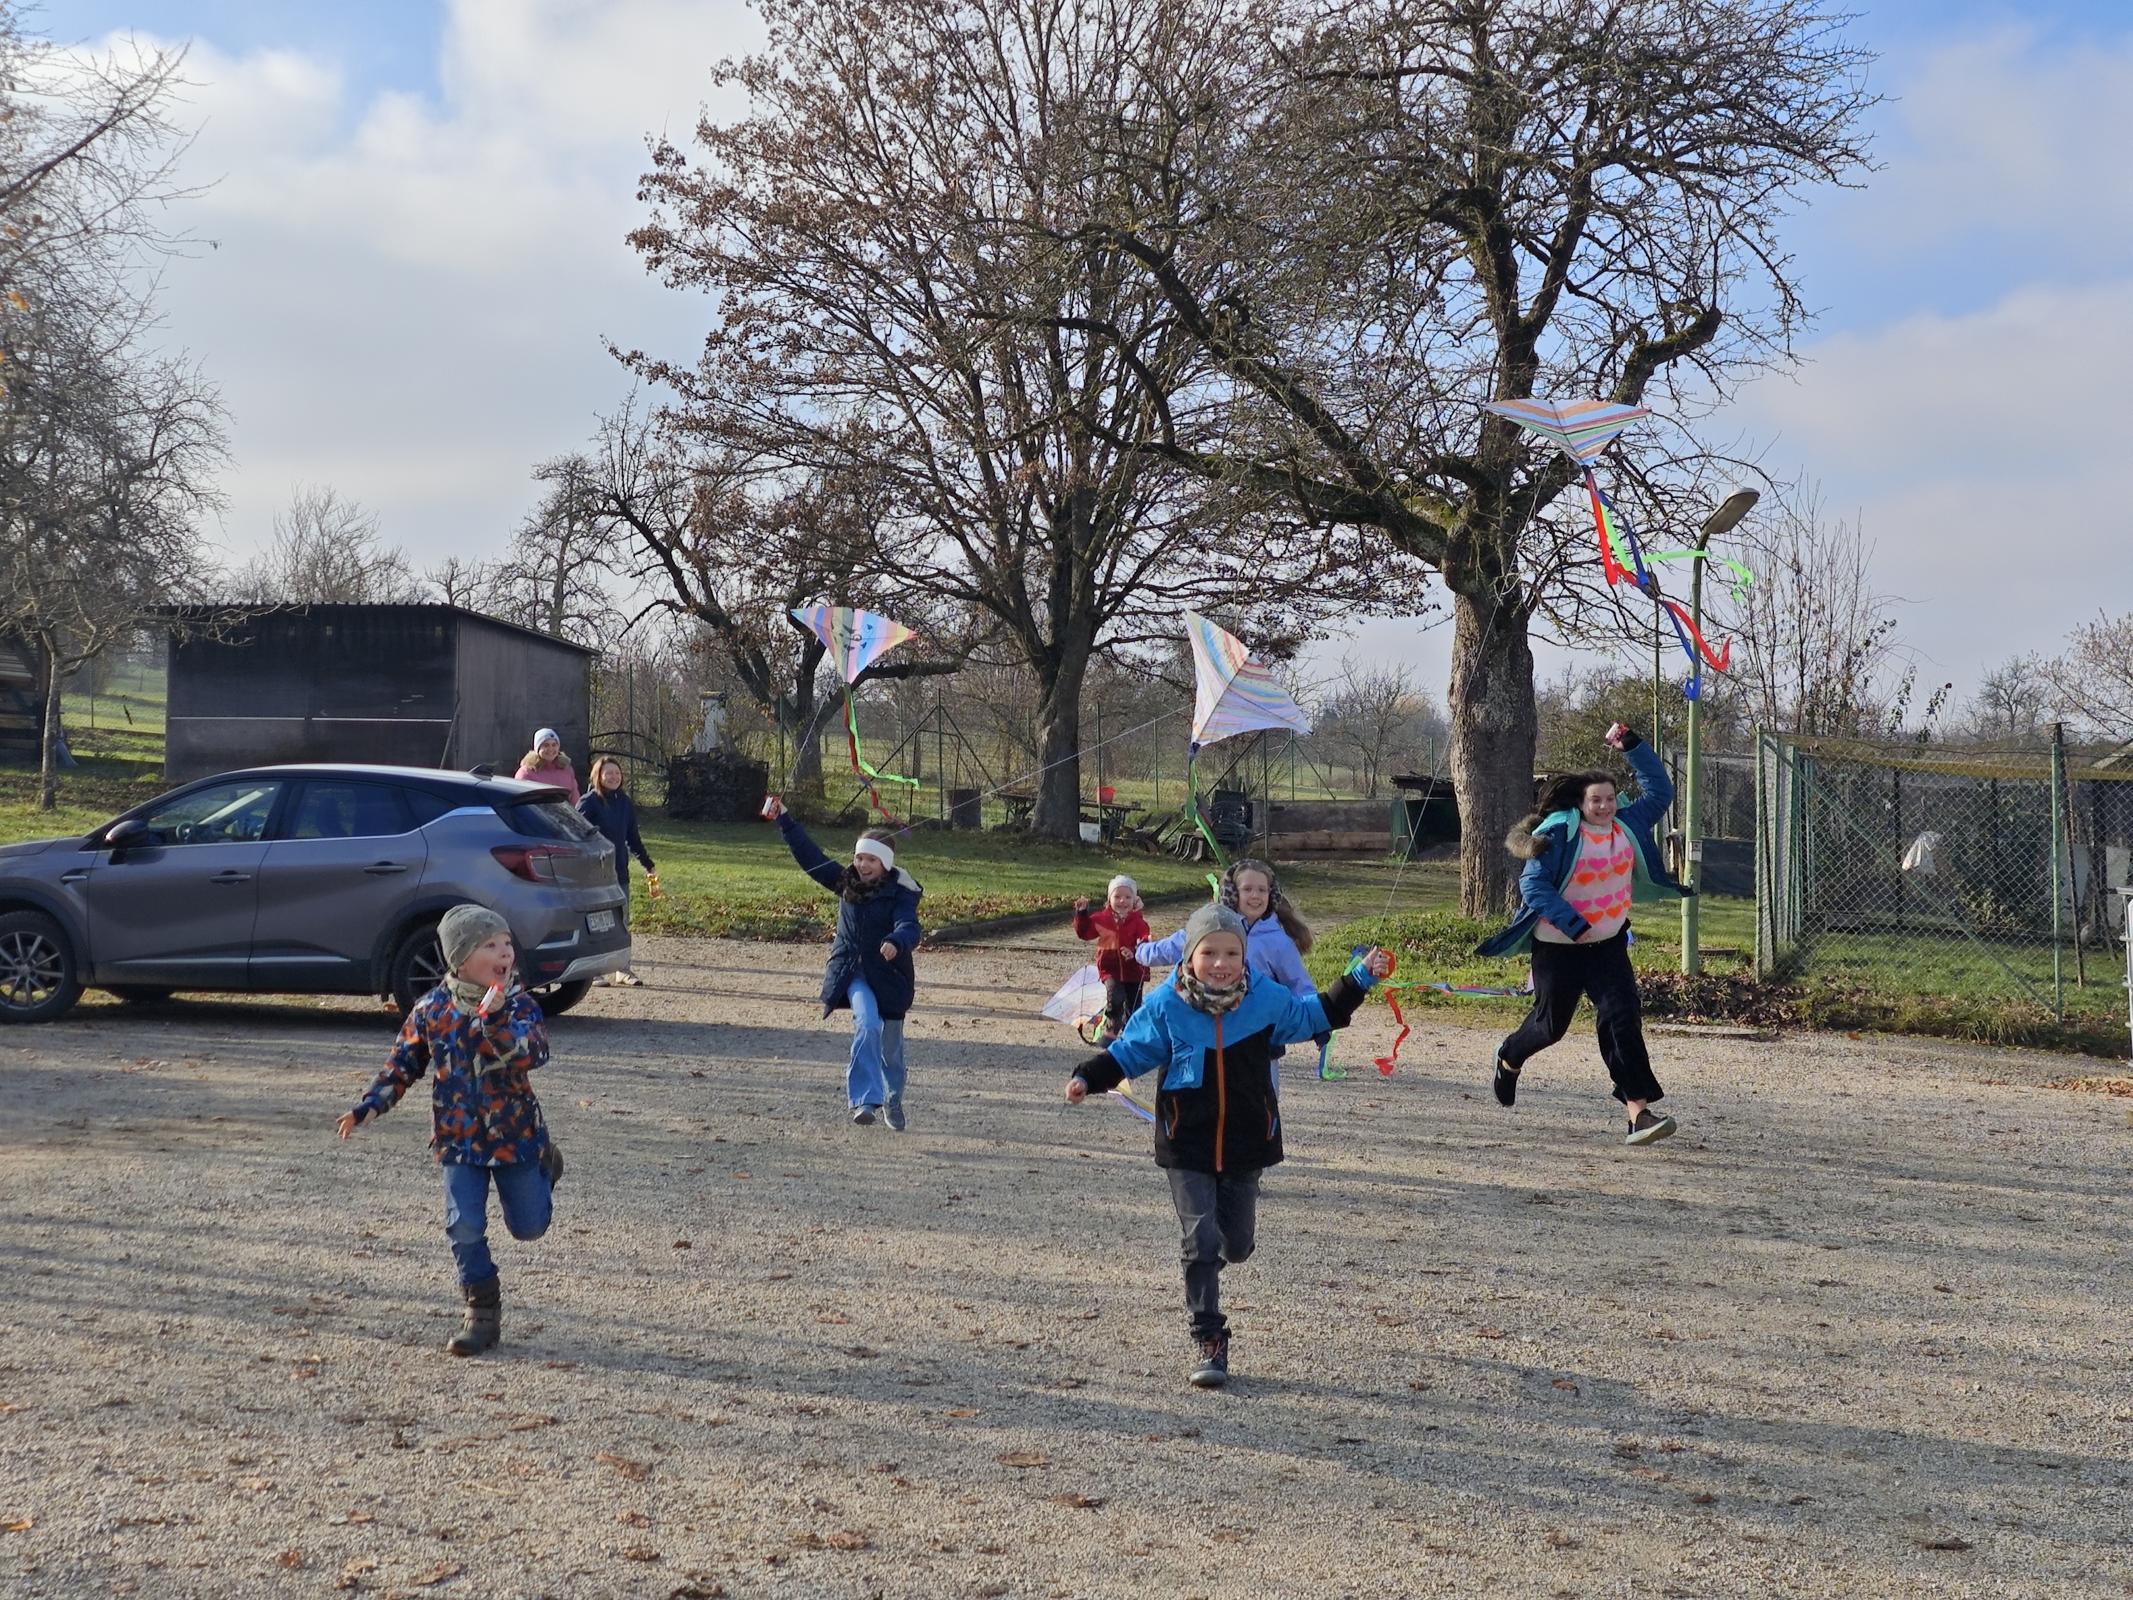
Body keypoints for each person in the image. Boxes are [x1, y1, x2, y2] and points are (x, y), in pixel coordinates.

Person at [1066, 902, 1393, 1389]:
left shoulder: (1266, 1000)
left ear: (1244, 956)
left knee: (1235, 1245)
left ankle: (1209, 1261)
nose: (1220, 963)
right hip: (1186, 1143)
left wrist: (1359, 979)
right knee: (1199, 1240)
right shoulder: (1166, 1006)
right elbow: (1130, 1052)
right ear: (1189, 957)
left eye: (1232, 953)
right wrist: (1087, 1077)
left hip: (1245, 1142)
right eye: (1209, 953)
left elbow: (1313, 1014)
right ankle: (1209, 1338)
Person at [335, 904, 562, 1357]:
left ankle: (546, 1162)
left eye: (507, 944)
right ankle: (481, 1313)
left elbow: (533, 1054)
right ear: (460, 959)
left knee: (529, 1227)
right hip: (458, 1139)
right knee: (464, 1226)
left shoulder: (519, 1005)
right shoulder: (431, 1009)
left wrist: (495, 1019)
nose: (504, 953)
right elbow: (402, 1064)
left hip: (515, 1137)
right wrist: (370, 1106)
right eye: (490, 945)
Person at [1476, 722, 1689, 1146]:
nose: (1605, 806)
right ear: (1581, 802)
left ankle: (1638, 1114)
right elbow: (1533, 886)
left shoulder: (1627, 824)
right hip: (1559, 947)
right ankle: (1510, 1056)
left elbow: (1660, 791)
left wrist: (1632, 745)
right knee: (1550, 1027)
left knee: (1622, 1019)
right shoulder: (1559, 834)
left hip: (1608, 946)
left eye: (1610, 798)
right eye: (1596, 800)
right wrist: (1573, 925)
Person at [764, 797, 924, 1130]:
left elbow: (909, 925)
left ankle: (893, 1097)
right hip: (854, 973)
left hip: (890, 977)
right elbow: (810, 856)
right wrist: (785, 820)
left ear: (885, 864)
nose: (863, 865)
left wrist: (896, 941)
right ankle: (865, 1100)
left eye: (871, 860)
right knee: (867, 1024)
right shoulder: (844, 882)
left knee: (891, 1052)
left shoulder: (900, 893)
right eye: (859, 857)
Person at [1138, 858, 1315, 1000]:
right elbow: (1172, 947)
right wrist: (1140, 951)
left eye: (1262, 890)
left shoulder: (1278, 942)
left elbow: (1300, 986)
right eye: (1247, 889)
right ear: (1232, 893)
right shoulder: (1213, 926)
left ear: (1272, 895)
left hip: (1259, 1024)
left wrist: (1316, 1020)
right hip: (1210, 1015)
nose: (1255, 895)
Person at [579, 756, 655, 987]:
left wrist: (647, 863)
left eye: (617, 773)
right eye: (608, 773)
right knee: (595, 922)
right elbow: (577, 836)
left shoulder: (624, 802)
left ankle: (623, 969)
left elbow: (632, 837)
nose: (613, 777)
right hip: (594, 873)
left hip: (619, 870)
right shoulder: (588, 802)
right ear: (598, 776)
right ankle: (593, 971)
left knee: (622, 921)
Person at [1072, 874, 1150, 1044]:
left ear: (1135, 900)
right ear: (1109, 899)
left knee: (1133, 1004)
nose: (1122, 901)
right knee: (1115, 997)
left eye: (1128, 897)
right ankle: (1112, 1027)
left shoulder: (1138, 922)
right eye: (1117, 896)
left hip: (1134, 969)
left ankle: (1131, 1034)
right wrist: (1081, 914)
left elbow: (1145, 940)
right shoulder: (1102, 919)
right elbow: (1084, 932)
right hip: (1110, 968)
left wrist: (1134, 951)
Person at [514, 728, 580, 804]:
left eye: (554, 745)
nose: (550, 749)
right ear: (537, 749)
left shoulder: (567, 769)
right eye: (546, 745)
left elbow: (575, 799)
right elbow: (522, 802)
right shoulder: (526, 773)